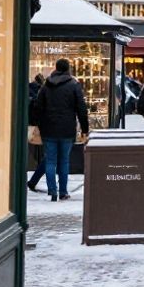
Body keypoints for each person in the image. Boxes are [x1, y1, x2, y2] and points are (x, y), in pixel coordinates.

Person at [30, 58, 89, 202]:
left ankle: (52, 191)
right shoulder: (74, 85)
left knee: (50, 160)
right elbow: (81, 108)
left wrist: (37, 123)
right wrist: (85, 128)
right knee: (64, 161)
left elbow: (38, 107)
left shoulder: (46, 85)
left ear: (56, 68)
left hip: (48, 128)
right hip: (67, 129)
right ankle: (63, 191)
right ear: (68, 68)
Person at [26, 73, 47, 192]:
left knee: (49, 157)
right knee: (51, 158)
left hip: (36, 127)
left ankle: (34, 181)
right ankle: (54, 188)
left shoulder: (32, 92)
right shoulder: (41, 93)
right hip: (47, 129)